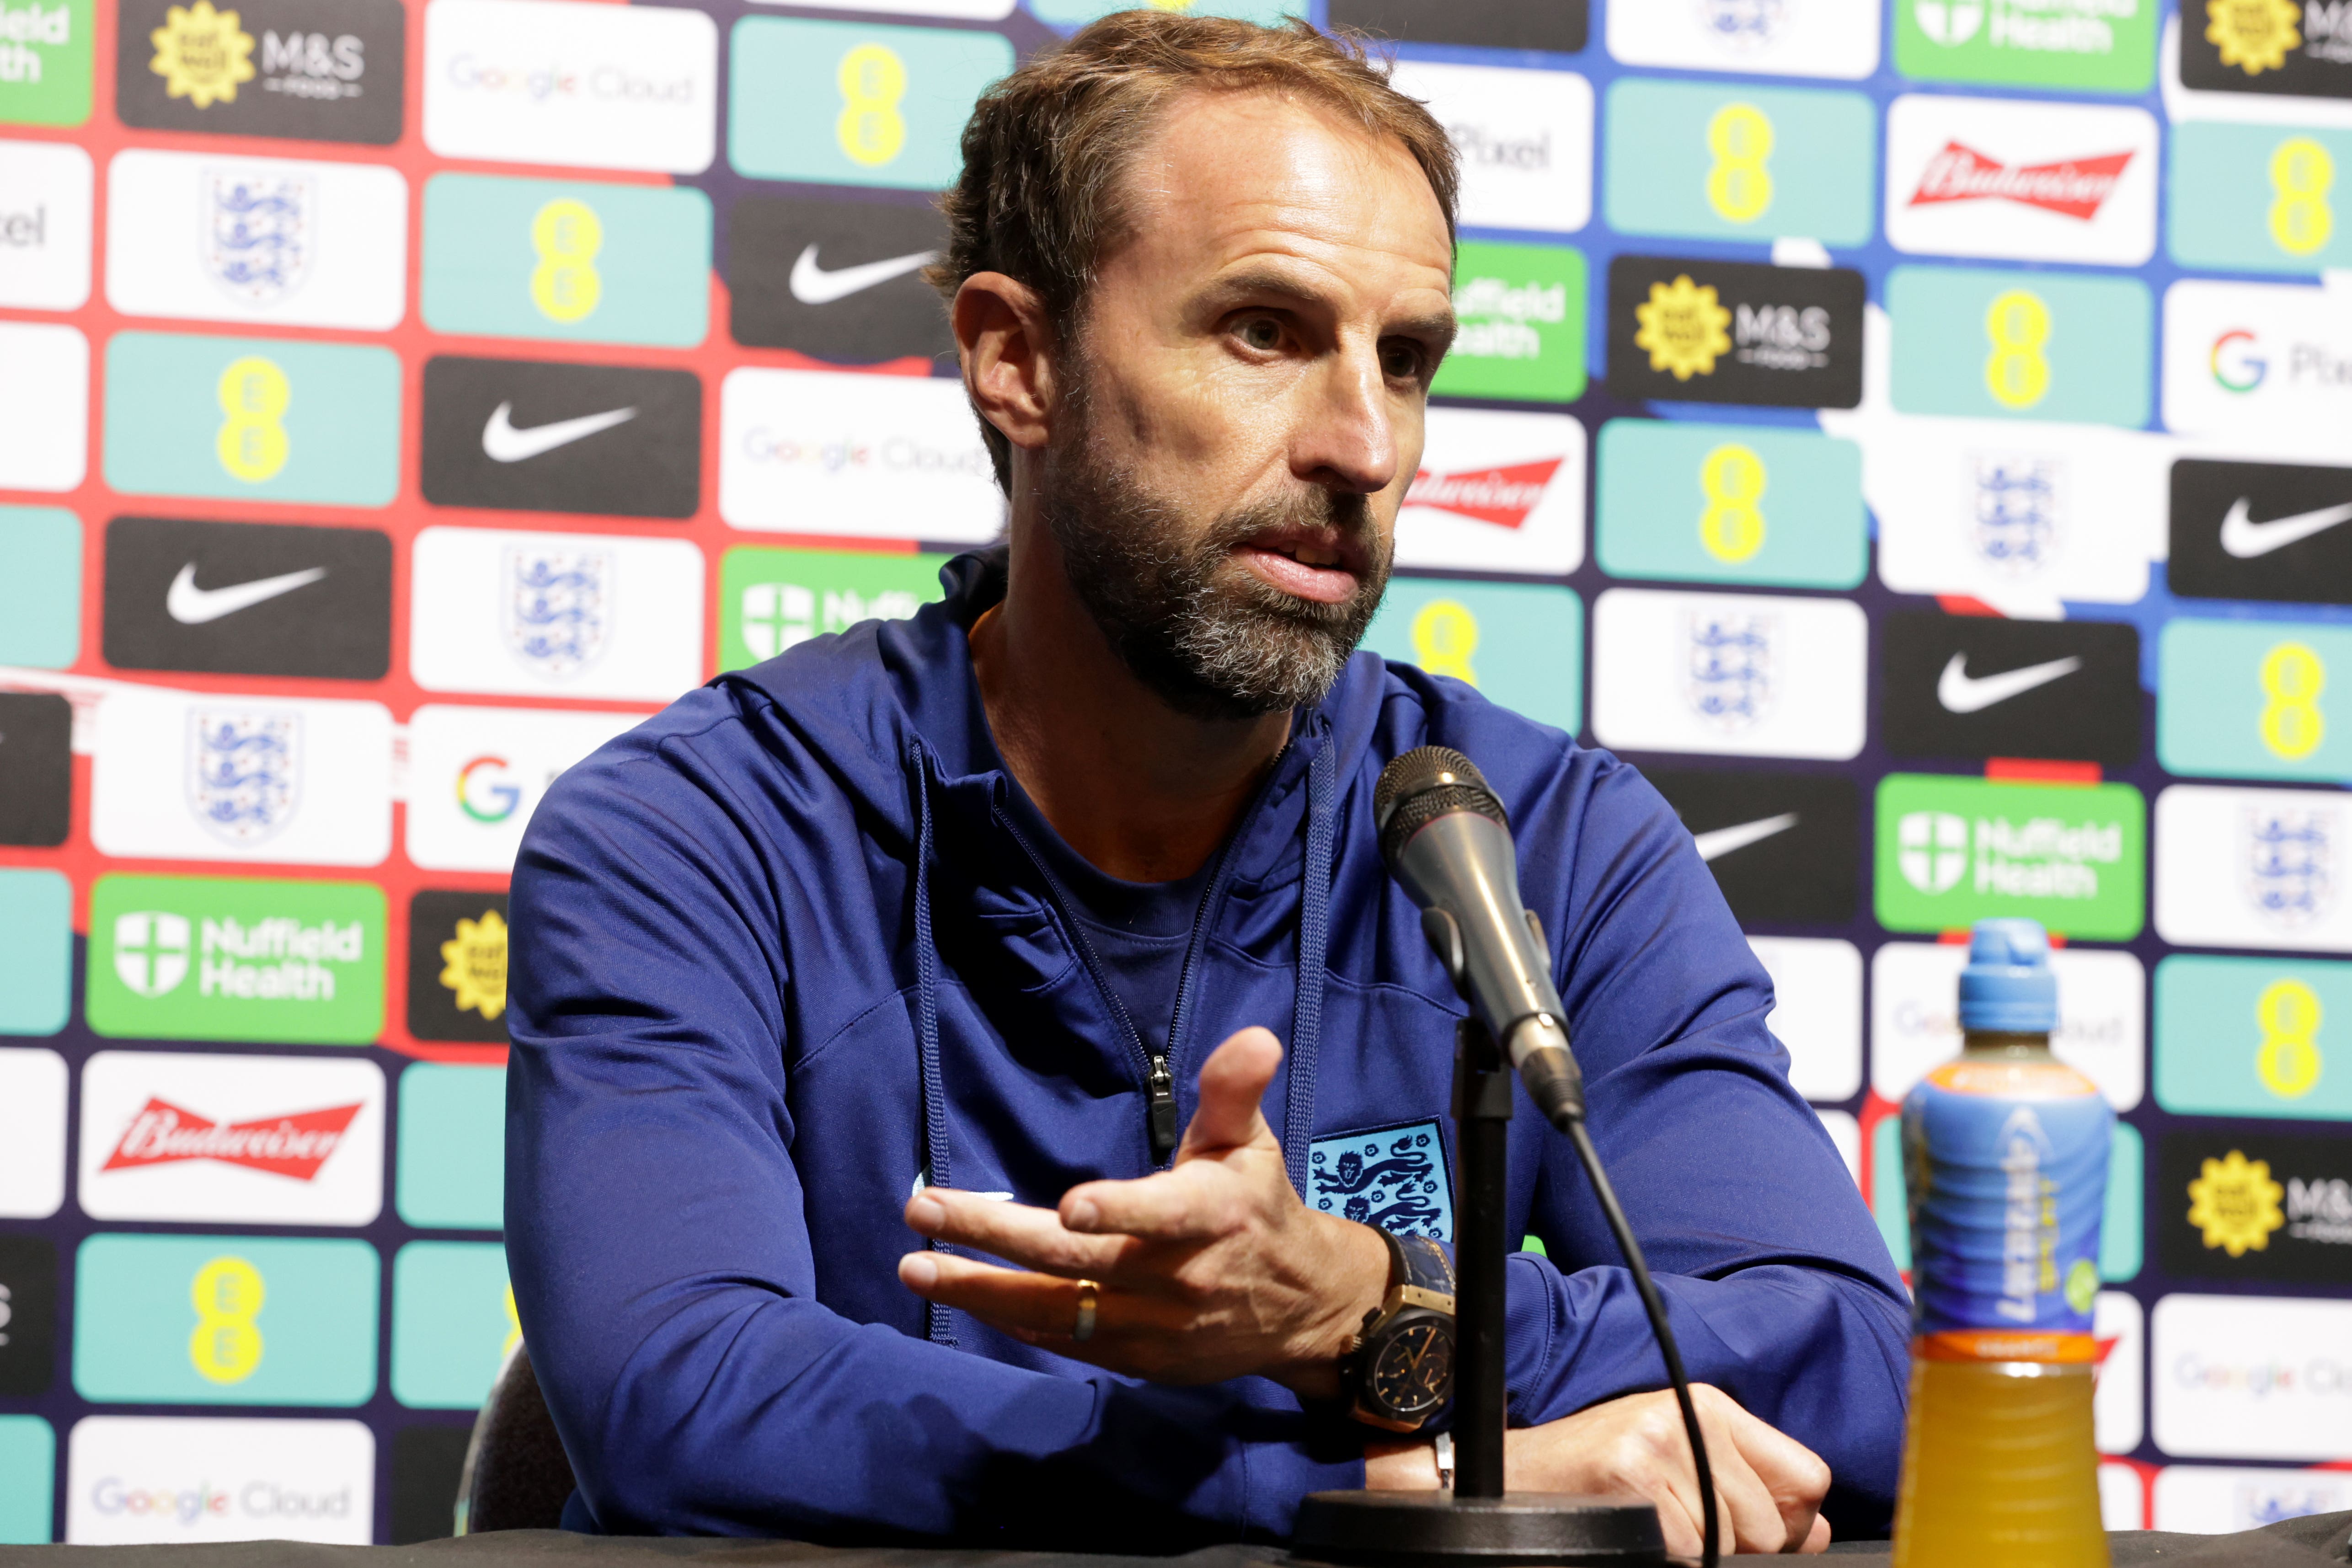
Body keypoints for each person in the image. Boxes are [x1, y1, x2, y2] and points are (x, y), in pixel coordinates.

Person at [506, 12, 1908, 1556]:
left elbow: (1856, 1368)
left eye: (1408, 359)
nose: (1364, 445)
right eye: (1263, 331)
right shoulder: (698, 832)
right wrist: (1391, 1484)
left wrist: (1370, 1307)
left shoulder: (1537, 836)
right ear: (1015, 359)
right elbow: (678, 1398)